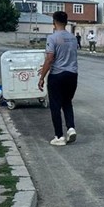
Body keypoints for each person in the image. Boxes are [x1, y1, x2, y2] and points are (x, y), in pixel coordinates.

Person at [38, 11, 79, 147]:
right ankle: (71, 128)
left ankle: (59, 136)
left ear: (54, 22)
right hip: (72, 74)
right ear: (66, 22)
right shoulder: (73, 38)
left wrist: (42, 77)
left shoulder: (53, 38)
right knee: (67, 102)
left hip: (57, 75)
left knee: (55, 105)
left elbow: (50, 59)